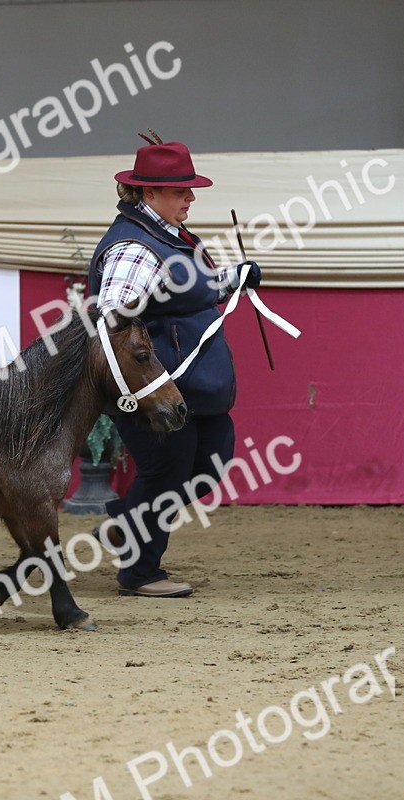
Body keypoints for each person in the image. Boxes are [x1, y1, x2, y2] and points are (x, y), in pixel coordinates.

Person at [88, 136, 260, 598]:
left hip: (193, 384)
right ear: (148, 193)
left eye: (190, 189)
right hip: (154, 386)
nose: (191, 197)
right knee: (167, 471)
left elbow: (186, 288)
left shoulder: (171, 237)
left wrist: (229, 279)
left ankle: (127, 520)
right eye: (181, 190)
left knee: (210, 460)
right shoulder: (133, 248)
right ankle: (140, 573)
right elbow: (114, 317)